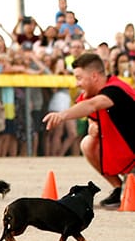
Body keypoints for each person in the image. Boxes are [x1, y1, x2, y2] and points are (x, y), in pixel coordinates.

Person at [43, 53, 135, 209]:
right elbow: (91, 111)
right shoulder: (91, 95)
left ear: (94, 76)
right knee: (87, 143)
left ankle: (128, 185)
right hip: (127, 156)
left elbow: (93, 105)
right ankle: (119, 188)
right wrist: (92, 125)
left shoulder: (116, 89)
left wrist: (62, 115)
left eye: (79, 78)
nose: (77, 83)